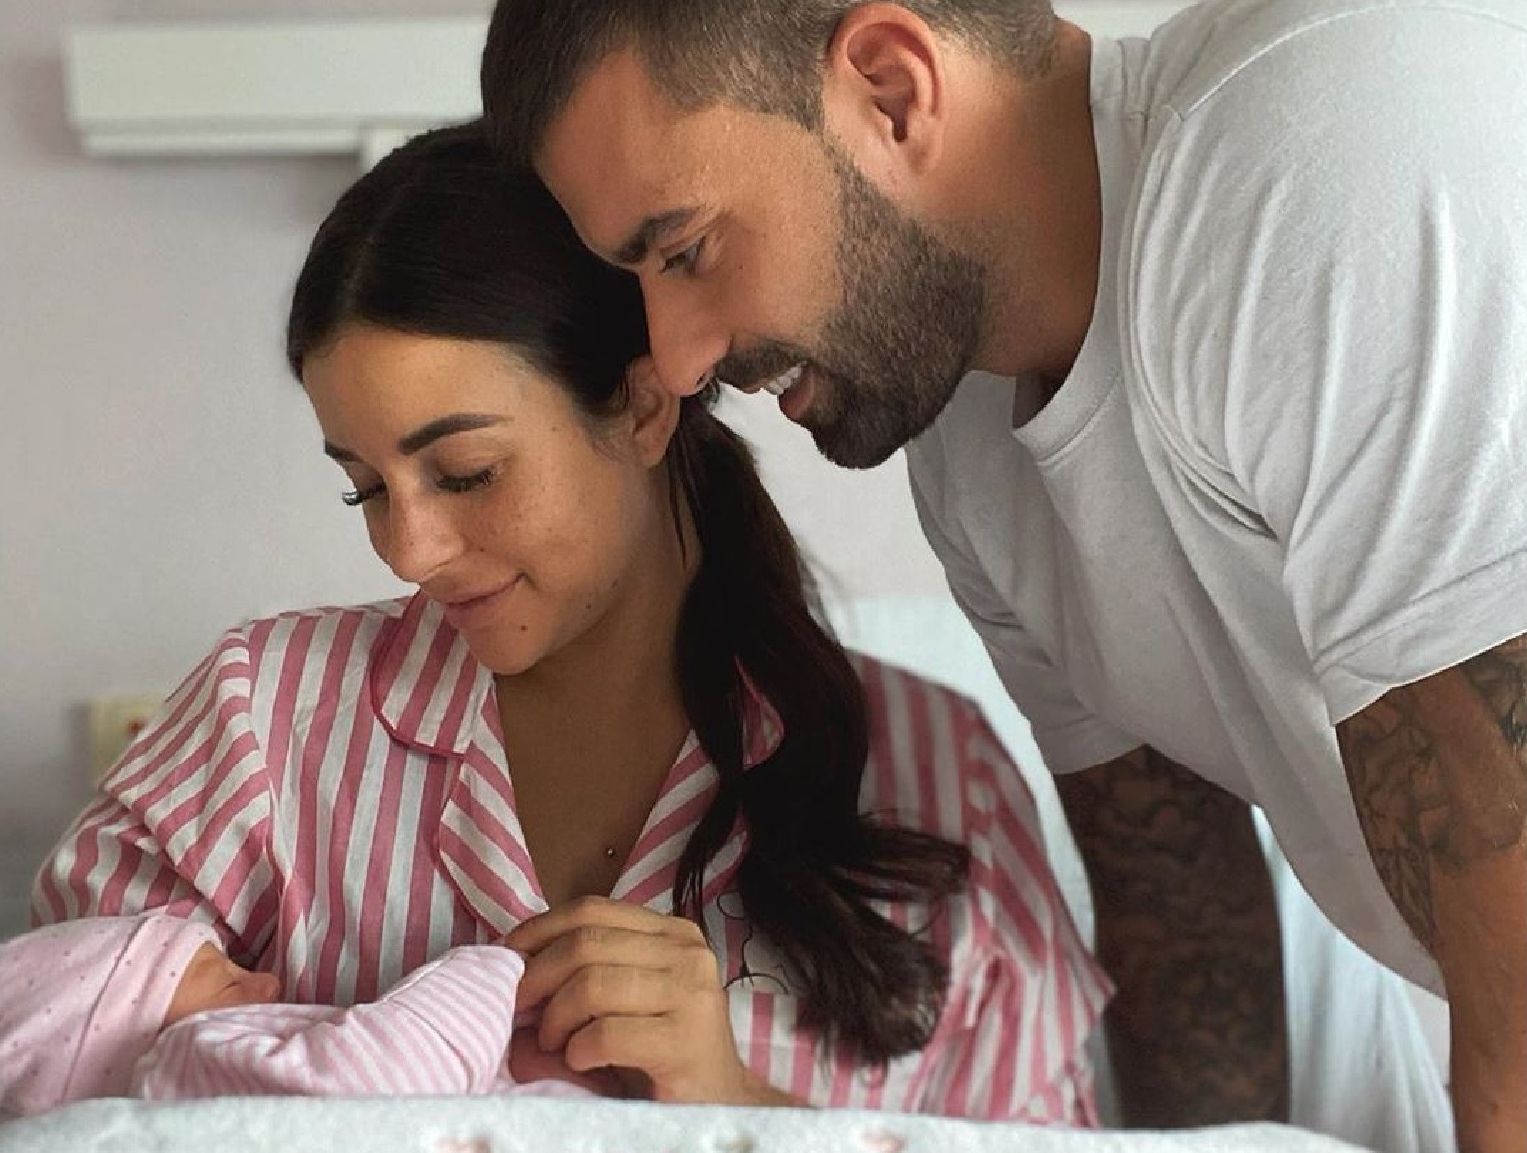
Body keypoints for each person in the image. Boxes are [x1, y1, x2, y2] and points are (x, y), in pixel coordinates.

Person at [476, 0, 1527, 1147]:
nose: (676, 360)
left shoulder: (1314, 158)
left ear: (889, 87)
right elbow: (1185, 930)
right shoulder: (972, 446)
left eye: (687, 251)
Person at [30, 123, 1109, 1123]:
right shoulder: (255, 724)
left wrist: (734, 1106)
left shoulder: (933, 776)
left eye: (467, 473)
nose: (408, 551)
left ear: (643, 404)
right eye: (364, 487)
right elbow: (54, 1102)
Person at [0, 913, 594, 1115]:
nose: (267, 980)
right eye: (227, 981)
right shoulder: (177, 1067)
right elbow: (369, 1094)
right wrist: (495, 973)